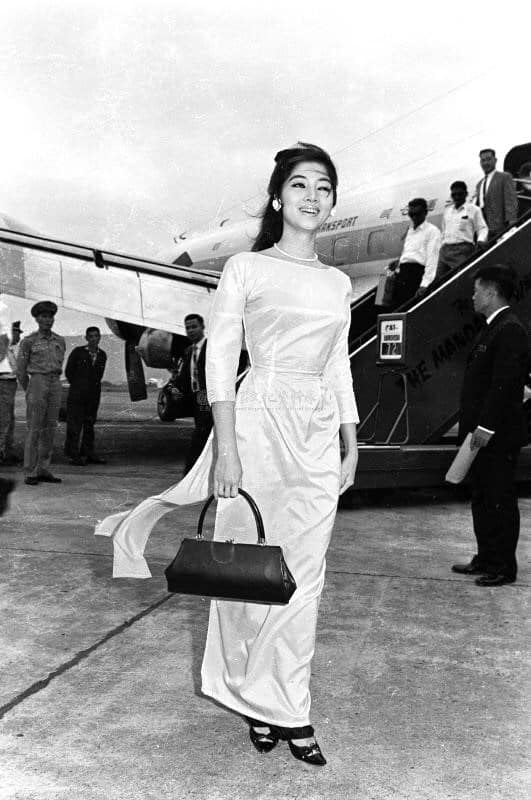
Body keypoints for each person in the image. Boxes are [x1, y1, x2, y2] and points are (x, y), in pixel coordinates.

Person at [96, 142, 358, 766]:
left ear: (332, 201)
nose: (312, 196)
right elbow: (220, 360)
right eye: (300, 185)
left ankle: (289, 707)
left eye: (323, 187)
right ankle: (250, 694)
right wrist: (227, 450)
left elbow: (339, 366)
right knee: (248, 572)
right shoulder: (245, 268)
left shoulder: (339, 282)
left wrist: (352, 443)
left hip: (317, 432)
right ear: (278, 198)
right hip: (258, 423)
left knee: (305, 579)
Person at [452, 265, 528, 586]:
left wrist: (486, 427)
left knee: (499, 498)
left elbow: (504, 385)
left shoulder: (509, 329)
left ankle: (502, 567)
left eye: (477, 291)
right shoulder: (493, 327)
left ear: (492, 292)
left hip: (495, 434)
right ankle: (486, 558)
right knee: (483, 497)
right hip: (481, 433)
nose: (473, 297)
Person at [16, 301, 66, 486]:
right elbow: (21, 371)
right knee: (34, 428)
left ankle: (43, 468)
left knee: (50, 428)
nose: (48, 320)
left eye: (51, 316)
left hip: (55, 382)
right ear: (37, 319)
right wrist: (30, 390)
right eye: (44, 316)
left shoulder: (59, 340)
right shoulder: (28, 341)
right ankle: (30, 471)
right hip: (37, 381)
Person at [385, 198, 441, 308]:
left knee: (408, 307)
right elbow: (409, 253)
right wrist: (398, 262)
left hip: (417, 274)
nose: (414, 217)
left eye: (417, 214)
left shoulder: (432, 231)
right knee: (387, 301)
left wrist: (425, 284)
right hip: (403, 272)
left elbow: (432, 260)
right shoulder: (410, 231)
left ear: (425, 213)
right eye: (411, 214)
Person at [64, 326, 107, 466]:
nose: (94, 339)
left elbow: (99, 374)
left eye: (96, 336)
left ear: (99, 337)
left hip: (93, 394)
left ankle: (88, 452)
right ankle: (73, 454)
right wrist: (78, 385)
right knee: (74, 424)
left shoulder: (102, 355)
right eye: (91, 336)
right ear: (86, 338)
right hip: (77, 393)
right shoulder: (78, 352)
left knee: (90, 423)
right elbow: (69, 371)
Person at [175, 314, 213, 474]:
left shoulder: (212, 347)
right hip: (196, 401)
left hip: (210, 399)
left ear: (203, 327)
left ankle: (189, 473)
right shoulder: (189, 351)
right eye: (187, 328)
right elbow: (185, 377)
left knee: (200, 436)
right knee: (203, 435)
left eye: (194, 327)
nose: (190, 330)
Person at [435, 181, 488, 281]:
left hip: (463, 250)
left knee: (462, 279)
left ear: (466, 194)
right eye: (454, 195)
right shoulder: (447, 211)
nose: (457, 197)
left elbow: (482, 228)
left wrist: (481, 240)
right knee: (439, 280)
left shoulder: (474, 210)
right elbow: (444, 231)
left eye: (460, 194)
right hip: (445, 251)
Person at [475, 148, 518, 241]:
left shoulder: (504, 177)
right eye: (483, 160)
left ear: (495, 160)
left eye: (489, 159)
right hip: (487, 231)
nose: (486, 163)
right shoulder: (479, 184)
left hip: (502, 228)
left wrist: (512, 225)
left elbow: (510, 202)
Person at [0, 308, 22, 465]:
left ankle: (7, 451)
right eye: (17, 333)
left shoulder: (12, 349)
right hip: (4, 383)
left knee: (9, 419)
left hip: (10, 384)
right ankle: (1, 452)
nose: (19, 336)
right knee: (4, 420)